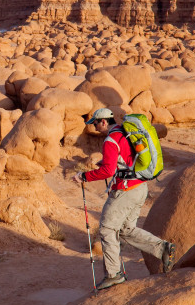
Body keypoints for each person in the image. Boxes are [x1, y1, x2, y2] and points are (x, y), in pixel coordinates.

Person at [70, 107, 176, 289]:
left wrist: (84, 176)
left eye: (95, 123)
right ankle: (163, 249)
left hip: (125, 190)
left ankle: (113, 274)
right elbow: (126, 158)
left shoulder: (111, 140)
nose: (94, 127)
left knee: (106, 228)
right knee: (126, 229)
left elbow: (108, 171)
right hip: (140, 187)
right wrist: (107, 161)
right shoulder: (124, 132)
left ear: (104, 122)